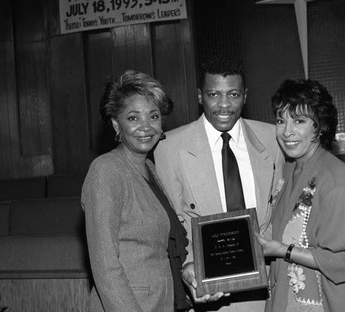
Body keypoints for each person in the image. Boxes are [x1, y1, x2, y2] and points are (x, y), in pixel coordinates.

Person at [154, 55, 284, 311]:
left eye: (233, 95)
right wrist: (189, 269)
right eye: (214, 95)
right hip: (206, 290)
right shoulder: (169, 147)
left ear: (245, 96)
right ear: (200, 96)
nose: (224, 105)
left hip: (266, 287)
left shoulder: (273, 139)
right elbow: (174, 222)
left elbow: (279, 210)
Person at [255, 79, 345, 312]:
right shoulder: (291, 170)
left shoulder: (336, 181)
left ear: (319, 126)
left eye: (299, 121)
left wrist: (285, 251)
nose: (287, 131)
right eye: (281, 121)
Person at [81, 70, 190, 312]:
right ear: (115, 124)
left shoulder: (149, 167)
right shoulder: (106, 170)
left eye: (153, 116)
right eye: (133, 118)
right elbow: (105, 267)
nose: (146, 127)